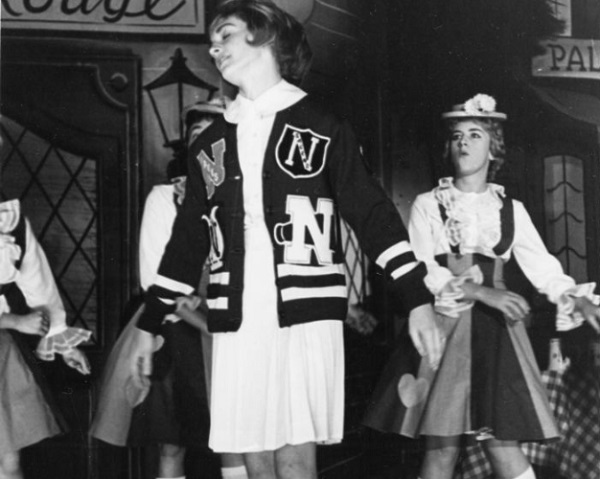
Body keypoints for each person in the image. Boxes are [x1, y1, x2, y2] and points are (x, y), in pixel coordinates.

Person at [129, 2, 443, 478]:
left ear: (266, 38)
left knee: (295, 460)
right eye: (213, 39)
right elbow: (186, 242)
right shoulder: (209, 143)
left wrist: (416, 299)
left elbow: (373, 214)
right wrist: (149, 323)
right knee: (254, 459)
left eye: (226, 34)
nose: (214, 47)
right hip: (236, 314)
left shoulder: (322, 126)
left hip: (304, 312)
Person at [363, 93, 600, 479]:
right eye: (457, 135)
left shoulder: (511, 209)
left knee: (501, 445)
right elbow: (421, 268)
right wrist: (480, 292)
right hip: (444, 327)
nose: (464, 143)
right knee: (441, 449)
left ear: (494, 148)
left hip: (497, 337)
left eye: (475, 135)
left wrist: (577, 298)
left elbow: (545, 268)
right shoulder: (428, 203)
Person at [91, 99, 247, 479]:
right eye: (198, 135)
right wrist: (195, 308)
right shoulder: (165, 198)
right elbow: (154, 278)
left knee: (237, 439)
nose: (207, 144)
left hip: (233, 327)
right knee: (172, 439)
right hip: (177, 330)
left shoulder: (246, 198)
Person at [0, 198, 91, 479]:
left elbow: (39, 286)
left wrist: (64, 345)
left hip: (1, 354)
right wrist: (13, 321)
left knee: (9, 460)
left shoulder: (10, 223)